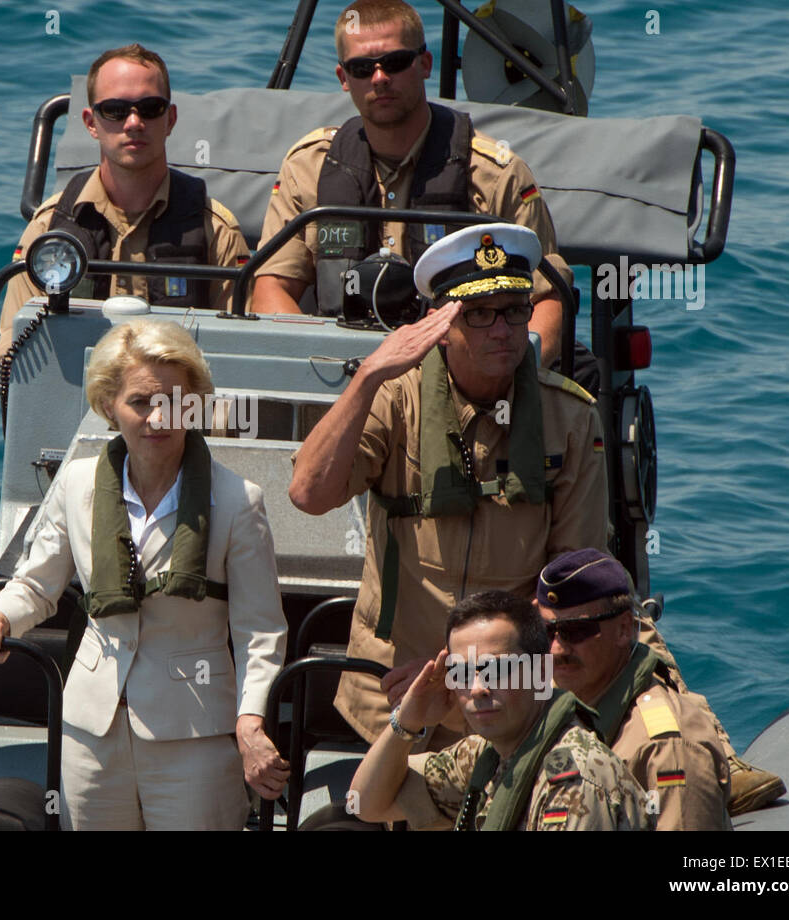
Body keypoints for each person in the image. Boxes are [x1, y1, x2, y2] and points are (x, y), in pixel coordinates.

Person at [289, 221, 608, 748]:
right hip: (393, 686)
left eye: (514, 310)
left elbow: (567, 584)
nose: (502, 331)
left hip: (508, 694)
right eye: (479, 314)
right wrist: (368, 375)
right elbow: (309, 493)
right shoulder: (395, 397)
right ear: (441, 321)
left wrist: (462, 673)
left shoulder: (570, 417)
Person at [0, 319, 288, 830]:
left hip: (194, 734)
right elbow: (35, 584)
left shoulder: (239, 502)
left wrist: (250, 723)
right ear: (108, 405)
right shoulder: (75, 484)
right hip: (90, 730)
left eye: (175, 403)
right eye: (140, 402)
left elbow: (259, 631)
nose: (158, 418)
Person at [253, 0, 592, 387]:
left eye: (395, 62)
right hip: (342, 383)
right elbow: (268, 289)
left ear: (425, 65)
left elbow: (549, 300)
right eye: (363, 68)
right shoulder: (308, 168)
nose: (379, 78)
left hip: (463, 387)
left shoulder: (495, 175)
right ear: (343, 78)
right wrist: (317, 373)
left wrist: (509, 377)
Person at [0, 43, 249, 362]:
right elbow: (10, 345)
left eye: (150, 108)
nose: (133, 123)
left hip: (180, 409)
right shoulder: (49, 228)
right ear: (90, 122)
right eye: (115, 110)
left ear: (170, 119)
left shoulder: (215, 229)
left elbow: (242, 351)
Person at [350, 590, 649, 830]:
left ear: (541, 674)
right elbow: (364, 803)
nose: (478, 687)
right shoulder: (485, 754)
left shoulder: (576, 782)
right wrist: (408, 720)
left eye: (499, 670)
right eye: (463, 673)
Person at [538, 548, 782, 826]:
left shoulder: (665, 748)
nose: (557, 648)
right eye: (546, 631)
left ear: (623, 629)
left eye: (577, 631)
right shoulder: (549, 708)